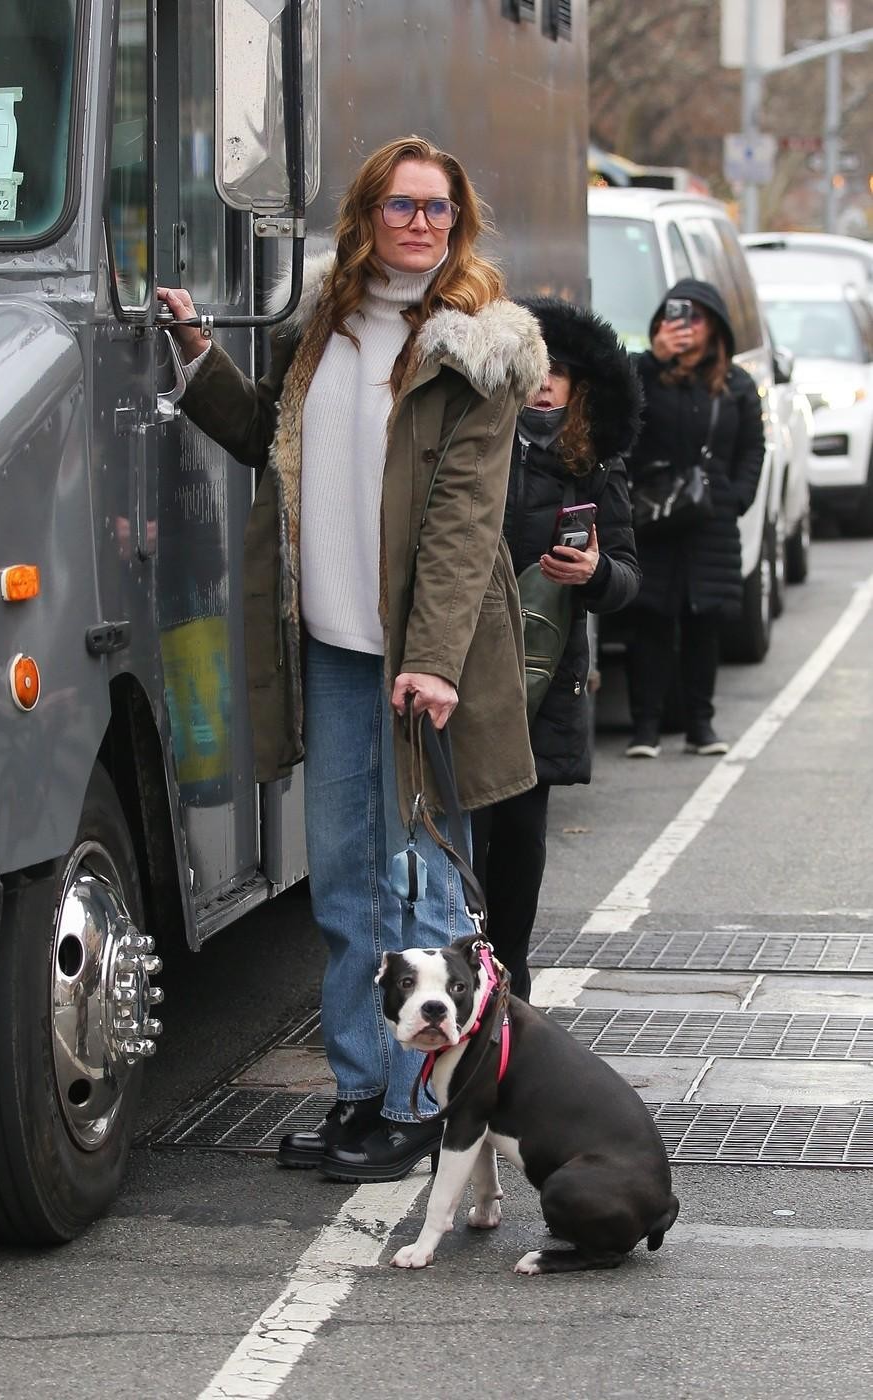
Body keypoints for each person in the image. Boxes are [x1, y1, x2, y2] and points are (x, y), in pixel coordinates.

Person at [158, 136, 546, 1182]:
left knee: (418, 891)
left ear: (457, 226)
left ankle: (429, 1104)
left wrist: (430, 659)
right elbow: (263, 439)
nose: (422, 225)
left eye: (440, 211)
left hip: (424, 663)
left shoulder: (478, 349)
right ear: (367, 213)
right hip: (331, 647)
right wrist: (198, 354)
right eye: (403, 206)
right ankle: (365, 1090)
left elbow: (467, 521)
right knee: (343, 888)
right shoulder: (323, 323)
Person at [471, 299, 642, 1001]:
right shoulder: (472, 445)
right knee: (458, 838)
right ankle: (457, 976)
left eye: (559, 374)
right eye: (534, 369)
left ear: (578, 389)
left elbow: (628, 579)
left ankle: (508, 988)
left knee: (517, 843)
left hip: (540, 684)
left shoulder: (593, 470)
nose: (544, 384)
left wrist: (595, 573)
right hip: (463, 668)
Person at [624, 279, 765, 759]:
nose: (684, 326)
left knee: (705, 622)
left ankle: (701, 725)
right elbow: (620, 420)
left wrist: (738, 496)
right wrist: (653, 358)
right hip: (656, 516)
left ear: (716, 327)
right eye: (674, 316)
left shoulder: (736, 385)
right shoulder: (645, 373)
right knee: (651, 619)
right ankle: (645, 727)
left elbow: (752, 448)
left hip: (711, 521)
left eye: (696, 317)